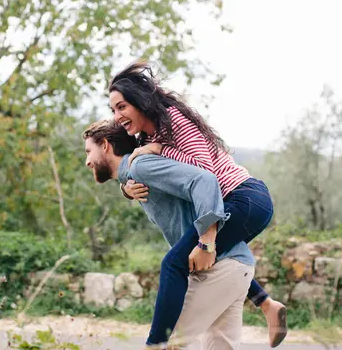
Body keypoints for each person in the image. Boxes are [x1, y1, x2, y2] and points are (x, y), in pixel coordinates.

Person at [107, 60, 287, 348]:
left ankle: (156, 344)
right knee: (215, 257)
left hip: (244, 197)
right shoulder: (150, 135)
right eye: (113, 110)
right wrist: (127, 189)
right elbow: (169, 180)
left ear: (140, 102)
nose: (117, 116)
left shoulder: (174, 120)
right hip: (240, 203)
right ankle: (266, 304)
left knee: (175, 263)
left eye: (122, 107)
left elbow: (205, 174)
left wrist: (159, 150)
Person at [83, 120, 256, 349]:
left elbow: (205, 180)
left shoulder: (140, 166)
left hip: (218, 268)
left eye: (88, 151)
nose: (87, 161)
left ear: (105, 145)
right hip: (237, 267)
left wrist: (206, 244)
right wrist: (125, 188)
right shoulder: (135, 173)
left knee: (166, 344)